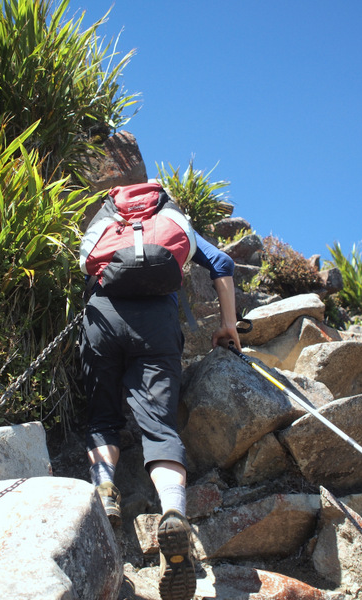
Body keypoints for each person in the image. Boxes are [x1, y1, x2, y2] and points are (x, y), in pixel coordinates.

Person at [79, 183, 241, 600]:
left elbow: (86, 265)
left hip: (103, 315)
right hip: (158, 321)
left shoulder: (108, 220)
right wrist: (228, 326)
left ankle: (105, 489)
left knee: (102, 419)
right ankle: (173, 511)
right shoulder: (168, 220)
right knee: (160, 428)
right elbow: (221, 262)